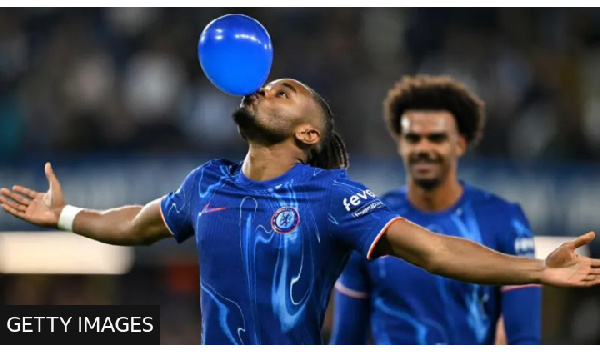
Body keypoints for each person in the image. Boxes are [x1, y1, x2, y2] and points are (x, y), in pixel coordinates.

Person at [1, 78, 599, 345]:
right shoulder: (205, 182)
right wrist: (65, 216)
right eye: (267, 88)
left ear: (308, 133)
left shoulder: (332, 195)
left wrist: (537, 270)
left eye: (283, 92)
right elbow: (135, 224)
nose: (263, 89)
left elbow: (433, 248)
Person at [329, 75, 544, 345]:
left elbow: (524, 340)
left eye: (436, 138)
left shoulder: (505, 221)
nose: (423, 148)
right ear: (400, 143)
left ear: (460, 143)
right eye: (413, 138)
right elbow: (346, 341)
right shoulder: (369, 223)